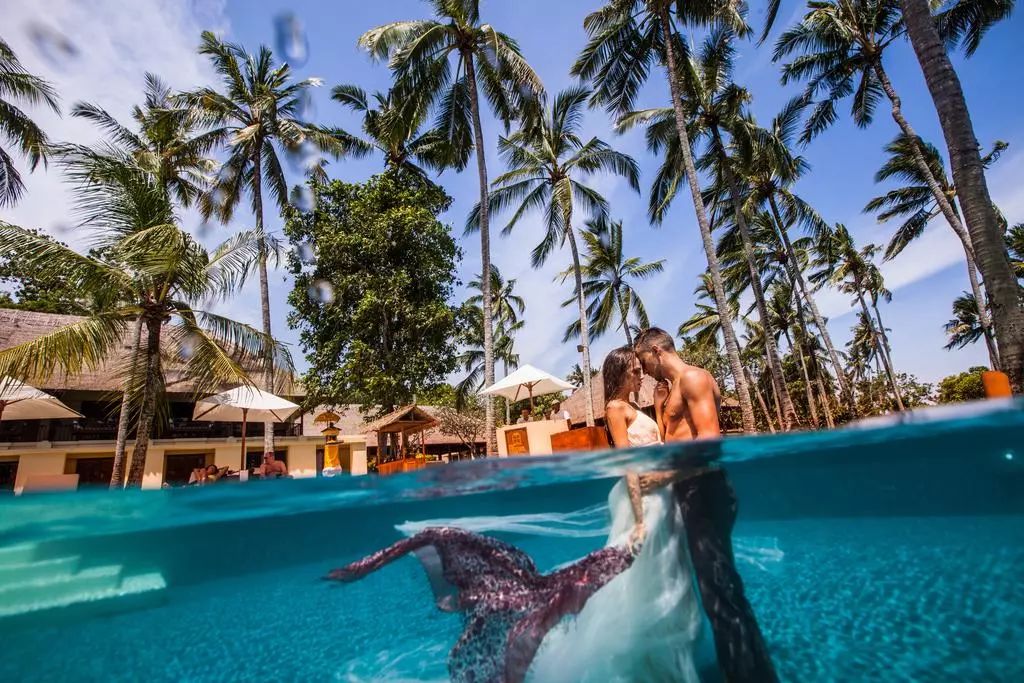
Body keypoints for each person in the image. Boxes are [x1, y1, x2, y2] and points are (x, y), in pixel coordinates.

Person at [527, 346, 706, 681]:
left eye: (640, 369)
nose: (641, 376)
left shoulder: (634, 406)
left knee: (666, 572)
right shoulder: (614, 408)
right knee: (646, 576)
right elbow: (628, 464)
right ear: (622, 373)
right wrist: (639, 518)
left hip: (662, 494)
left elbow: (654, 445)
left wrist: (658, 407)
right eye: (635, 371)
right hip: (644, 499)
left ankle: (669, 654)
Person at [634, 327, 778, 682]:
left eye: (642, 360)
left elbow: (709, 443)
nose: (643, 370)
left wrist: (664, 478)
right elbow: (676, 441)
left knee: (720, 593)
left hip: (705, 491)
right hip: (690, 491)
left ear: (656, 351)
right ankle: (753, 671)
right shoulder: (672, 389)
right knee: (719, 589)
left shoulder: (694, 378)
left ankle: (747, 676)